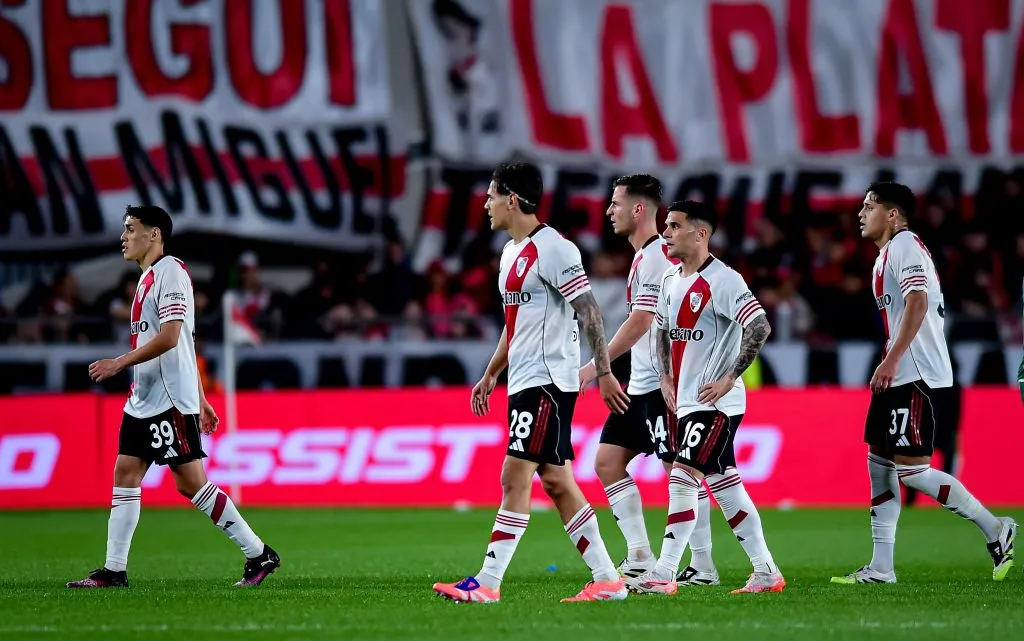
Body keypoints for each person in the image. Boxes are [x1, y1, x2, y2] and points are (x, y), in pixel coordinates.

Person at [432, 162, 631, 603]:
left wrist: (602, 372)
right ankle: (608, 579)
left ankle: (487, 583)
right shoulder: (509, 254)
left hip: (547, 381)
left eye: (491, 195)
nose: (485, 204)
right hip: (522, 381)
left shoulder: (556, 249)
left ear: (513, 199)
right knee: (557, 481)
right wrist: (490, 373)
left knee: (513, 475)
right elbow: (514, 322)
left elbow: (591, 311)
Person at [67, 205, 280, 589]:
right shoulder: (147, 278)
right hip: (144, 397)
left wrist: (120, 363)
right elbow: (187, 342)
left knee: (191, 484)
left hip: (166, 398)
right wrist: (202, 398)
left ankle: (258, 552)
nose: (124, 236)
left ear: (155, 234)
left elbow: (170, 337)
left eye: (131, 228)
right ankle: (114, 569)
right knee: (125, 473)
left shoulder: (171, 273)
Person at [831, 182, 1016, 584]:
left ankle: (996, 528)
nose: (861, 213)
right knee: (879, 467)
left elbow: (917, 302)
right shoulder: (886, 255)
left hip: (914, 372)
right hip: (899, 370)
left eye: (870, 206)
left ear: (893, 214)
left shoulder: (905, 246)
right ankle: (881, 568)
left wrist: (892, 360)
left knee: (912, 472)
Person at [579, 176, 749, 586]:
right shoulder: (645, 257)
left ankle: (701, 564)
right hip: (639, 384)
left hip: (659, 386)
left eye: (615, 203)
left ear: (639, 209)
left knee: (684, 471)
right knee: (607, 462)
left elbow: (641, 321)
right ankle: (639, 554)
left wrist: (596, 368)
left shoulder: (657, 256)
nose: (608, 211)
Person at [625, 201, 785, 595]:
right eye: (666, 225)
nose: (666, 232)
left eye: (675, 226)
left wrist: (730, 377)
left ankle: (663, 573)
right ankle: (766, 572)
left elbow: (760, 326)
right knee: (726, 486)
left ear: (701, 233)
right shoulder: (669, 280)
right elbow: (661, 331)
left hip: (717, 405)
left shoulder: (724, 280)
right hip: (687, 401)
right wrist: (665, 377)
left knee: (682, 477)